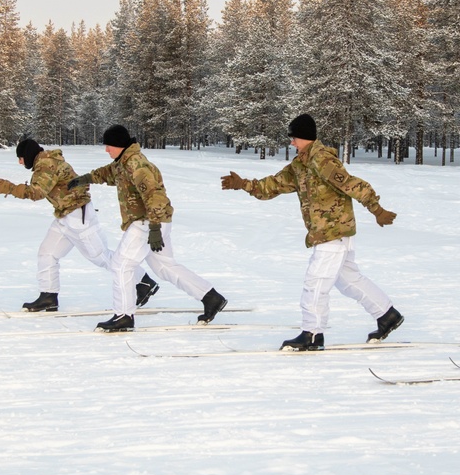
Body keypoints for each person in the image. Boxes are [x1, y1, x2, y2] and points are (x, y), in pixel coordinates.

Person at [221, 113, 402, 351]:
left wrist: (377, 209)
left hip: (332, 233)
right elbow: (272, 186)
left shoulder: (322, 160)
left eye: (294, 137)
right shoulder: (300, 165)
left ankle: (313, 334)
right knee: (348, 280)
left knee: (315, 282)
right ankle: (387, 315)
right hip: (330, 234)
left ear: (305, 137)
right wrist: (243, 183)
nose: (291, 142)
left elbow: (353, 184)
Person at [68, 125, 227, 331]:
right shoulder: (123, 162)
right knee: (164, 266)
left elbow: (155, 196)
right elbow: (108, 173)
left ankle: (124, 315)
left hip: (148, 221)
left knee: (121, 265)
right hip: (154, 221)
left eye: (109, 145)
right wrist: (85, 179)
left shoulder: (137, 165)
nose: (106, 150)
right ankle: (210, 297)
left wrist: (154, 228)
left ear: (119, 145)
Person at [0, 138, 158, 312]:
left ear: (27, 155)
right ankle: (48, 296)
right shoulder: (45, 162)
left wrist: (9, 188)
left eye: (20, 158)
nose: (20, 162)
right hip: (65, 216)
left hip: (78, 215)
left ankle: (143, 282)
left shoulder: (47, 164)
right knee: (47, 253)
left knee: (101, 256)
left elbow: (36, 192)